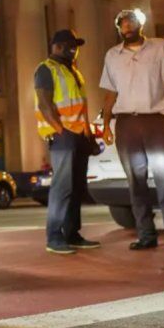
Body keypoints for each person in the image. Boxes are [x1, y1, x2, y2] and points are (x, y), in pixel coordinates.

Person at [100, 9, 164, 253]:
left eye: (130, 22)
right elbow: (110, 92)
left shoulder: (160, 47)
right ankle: (146, 234)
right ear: (118, 29)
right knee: (135, 181)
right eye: (122, 24)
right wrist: (106, 124)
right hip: (126, 125)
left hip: (155, 123)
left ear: (140, 24)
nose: (126, 27)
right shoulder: (112, 55)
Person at [35, 29, 101, 255]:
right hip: (63, 137)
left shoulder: (73, 71)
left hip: (80, 136)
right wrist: (60, 130)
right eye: (70, 45)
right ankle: (54, 237)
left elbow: (80, 106)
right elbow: (45, 104)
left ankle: (72, 234)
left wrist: (89, 134)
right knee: (62, 188)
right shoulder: (46, 69)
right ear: (57, 47)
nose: (75, 50)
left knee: (75, 188)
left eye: (76, 46)